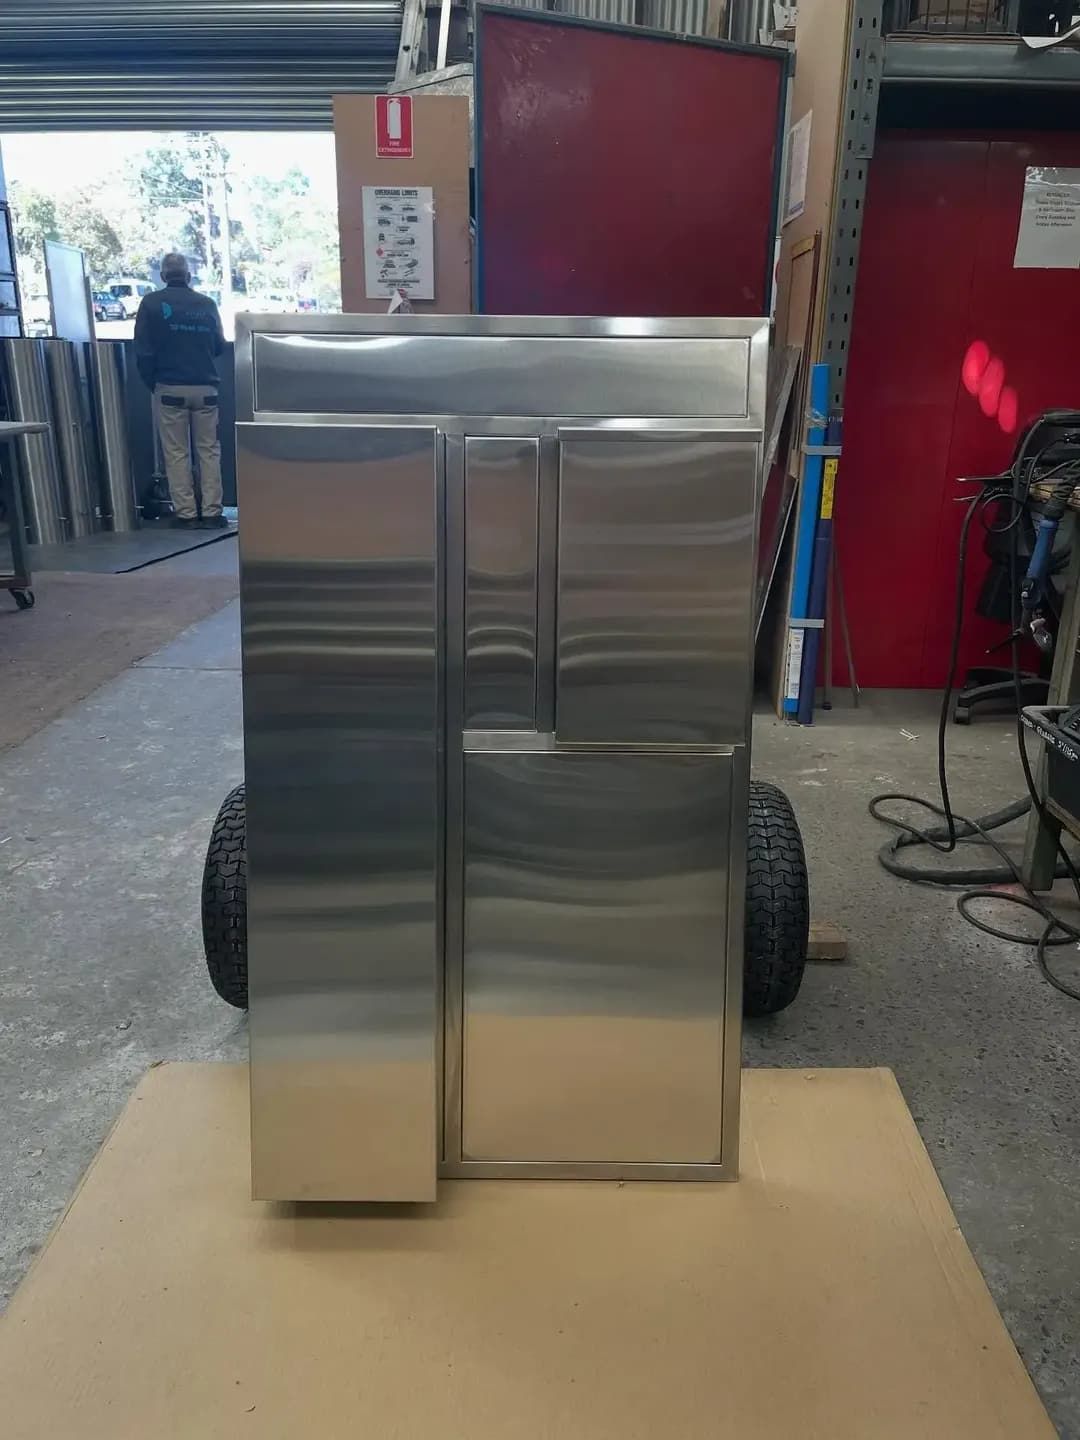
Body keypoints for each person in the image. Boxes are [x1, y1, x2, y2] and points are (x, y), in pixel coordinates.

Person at [134, 253, 227, 529]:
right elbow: (219, 345)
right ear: (188, 276)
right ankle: (212, 512)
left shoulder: (150, 304)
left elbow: (143, 351)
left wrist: (154, 383)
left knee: (176, 453)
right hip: (206, 387)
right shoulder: (207, 304)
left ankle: (186, 514)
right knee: (209, 451)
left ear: (163, 276)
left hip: (170, 386)